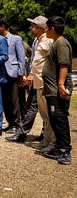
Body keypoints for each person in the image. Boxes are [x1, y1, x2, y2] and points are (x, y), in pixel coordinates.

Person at [6, 16, 51, 143]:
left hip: (42, 81)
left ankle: (42, 135)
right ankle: (27, 133)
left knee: (39, 108)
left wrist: (32, 74)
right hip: (36, 79)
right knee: (31, 106)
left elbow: (45, 62)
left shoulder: (47, 40)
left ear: (40, 28)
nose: (30, 28)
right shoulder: (36, 41)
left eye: (33, 26)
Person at [42, 16, 73, 165]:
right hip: (51, 90)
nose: (45, 31)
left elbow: (64, 65)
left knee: (60, 119)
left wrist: (61, 85)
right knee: (54, 119)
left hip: (57, 90)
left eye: (47, 28)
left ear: (52, 29)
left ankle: (65, 150)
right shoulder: (56, 43)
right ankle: (59, 148)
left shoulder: (62, 44)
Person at [0, 19, 25, 133]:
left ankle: (17, 124)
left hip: (12, 72)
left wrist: (20, 75)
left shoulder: (16, 39)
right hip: (1, 73)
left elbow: (21, 58)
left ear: (3, 27)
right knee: (5, 100)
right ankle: (10, 123)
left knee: (14, 100)